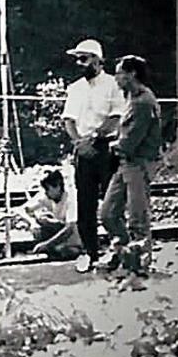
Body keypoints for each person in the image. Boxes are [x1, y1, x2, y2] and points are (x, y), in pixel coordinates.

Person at [61, 39, 126, 273]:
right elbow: (68, 120)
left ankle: (118, 250)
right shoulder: (75, 88)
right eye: (77, 59)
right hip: (83, 151)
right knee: (85, 205)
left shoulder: (113, 85)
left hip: (106, 148)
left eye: (84, 58)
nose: (80, 63)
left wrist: (95, 138)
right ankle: (90, 252)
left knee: (111, 204)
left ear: (98, 60)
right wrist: (79, 142)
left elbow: (116, 117)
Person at [99, 56, 161, 275]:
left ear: (131, 74)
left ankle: (140, 263)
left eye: (119, 73)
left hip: (138, 164)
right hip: (126, 164)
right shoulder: (131, 99)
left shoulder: (143, 102)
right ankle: (123, 250)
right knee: (108, 213)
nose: (116, 78)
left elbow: (128, 142)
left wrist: (106, 144)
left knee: (137, 218)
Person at [19, 170, 83, 260]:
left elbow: (69, 228)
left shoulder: (71, 198)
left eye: (47, 189)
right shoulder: (48, 196)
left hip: (76, 239)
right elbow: (22, 209)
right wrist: (32, 222)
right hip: (60, 235)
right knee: (42, 222)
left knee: (63, 251)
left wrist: (47, 245)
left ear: (57, 187)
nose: (45, 193)